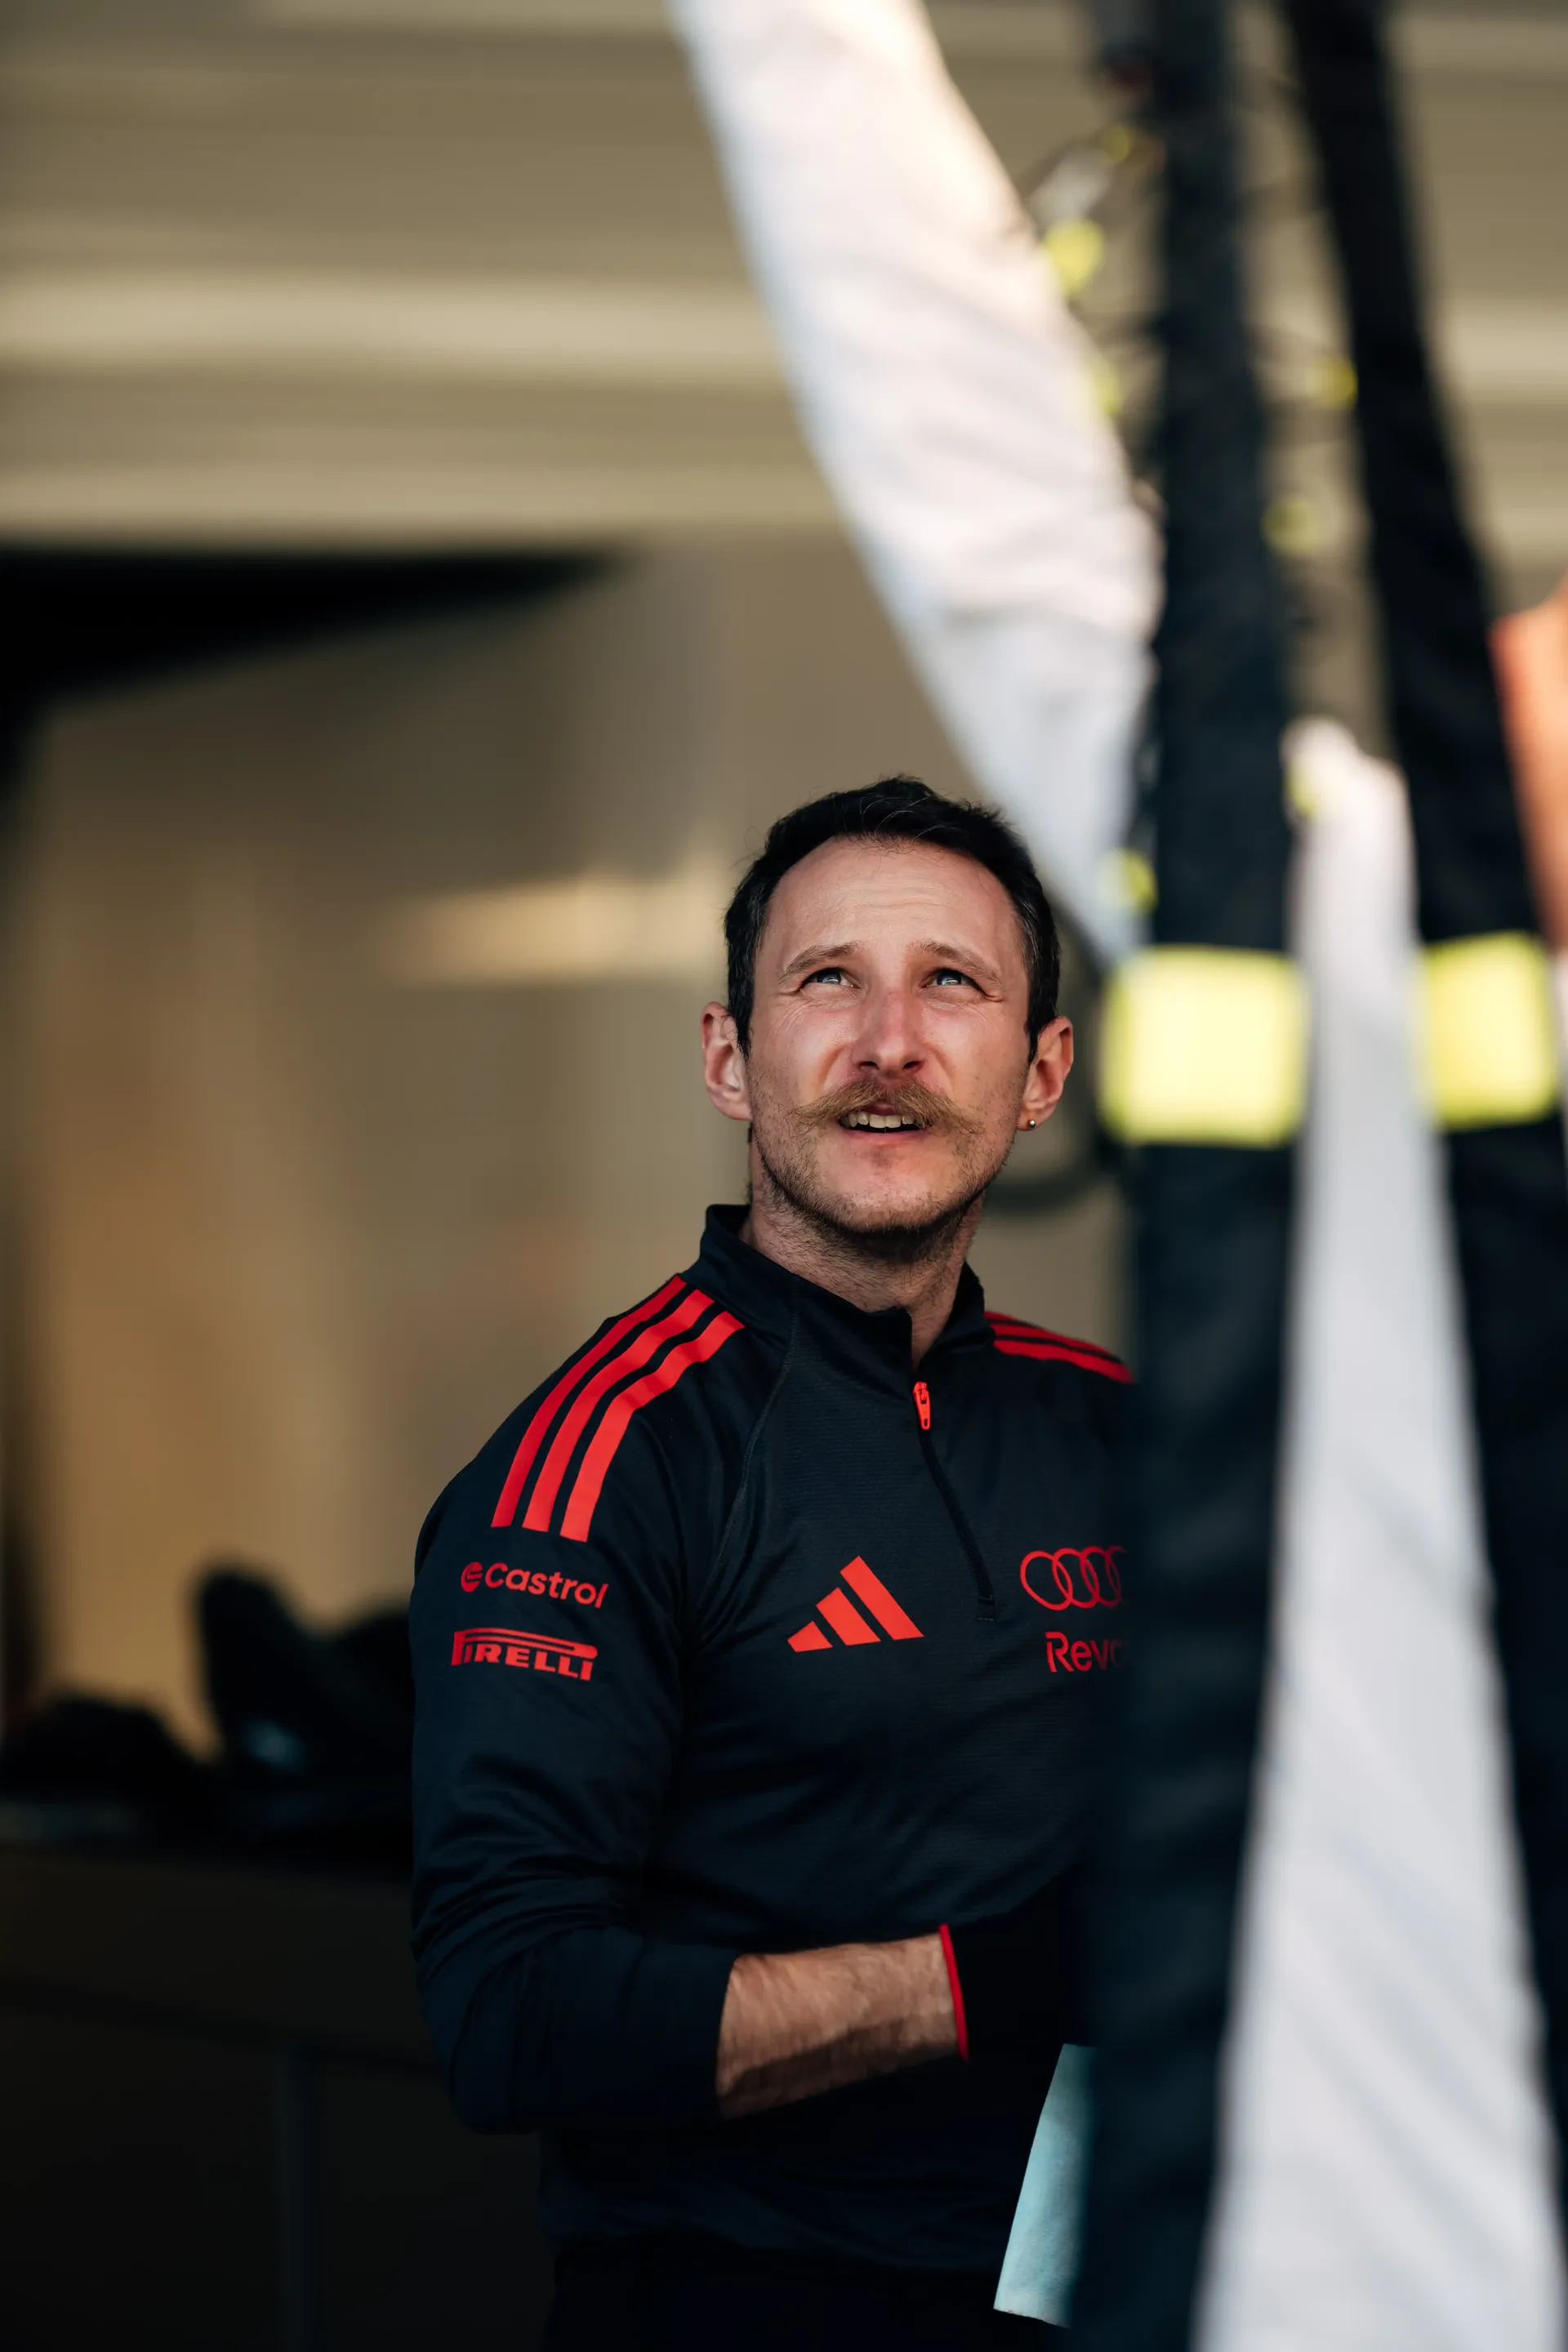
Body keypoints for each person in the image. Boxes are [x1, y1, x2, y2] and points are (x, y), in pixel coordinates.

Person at [409, 775, 1130, 2350]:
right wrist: (992, 1979)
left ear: (1042, 1071)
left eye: (954, 981)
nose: (890, 1043)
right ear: (732, 1060)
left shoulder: (1129, 1435)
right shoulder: (607, 1461)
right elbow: (507, 2010)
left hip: (1122, 2288)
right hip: (750, 2305)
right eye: (828, 982)